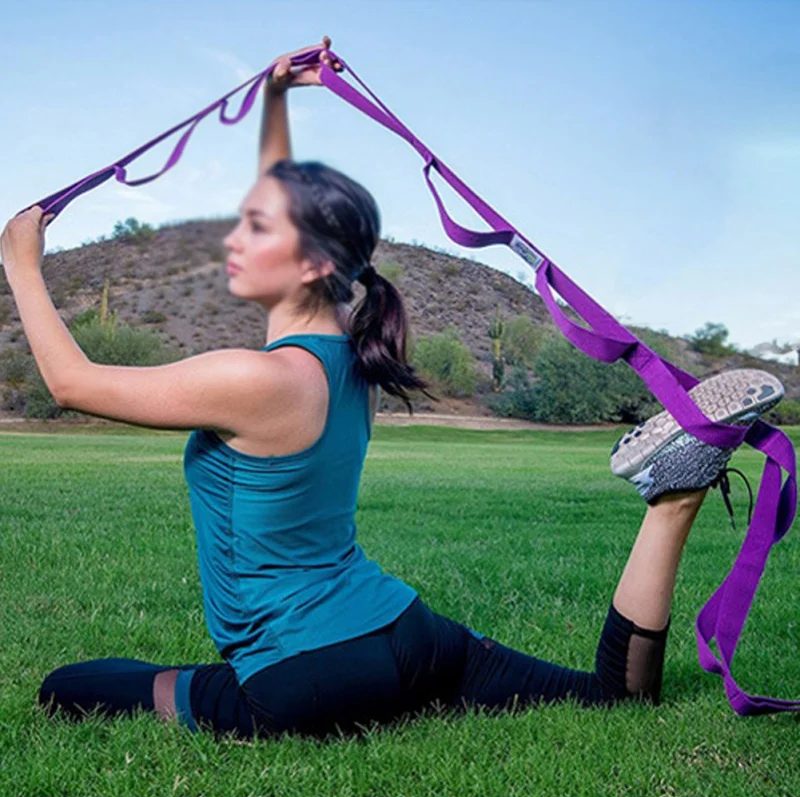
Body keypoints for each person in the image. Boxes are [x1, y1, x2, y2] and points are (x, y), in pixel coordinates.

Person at [2, 37, 784, 742]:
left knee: (72, 685)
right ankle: (671, 501)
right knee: (609, 699)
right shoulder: (350, 357)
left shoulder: (247, 379)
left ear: (312, 262)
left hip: (303, 678)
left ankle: (222, 697)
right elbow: (289, 196)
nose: (232, 239)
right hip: (408, 635)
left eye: (256, 227)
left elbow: (70, 383)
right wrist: (276, 98)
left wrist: (22, 265)